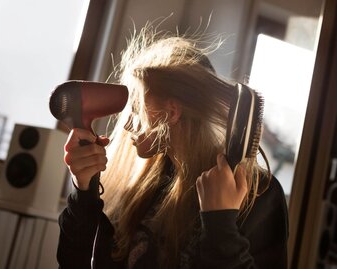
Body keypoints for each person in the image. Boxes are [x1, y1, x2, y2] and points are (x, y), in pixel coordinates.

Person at [57, 25, 289, 269]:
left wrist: (220, 223)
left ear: (171, 112)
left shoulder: (258, 194)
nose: (126, 124)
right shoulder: (143, 188)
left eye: (135, 108)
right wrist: (84, 192)